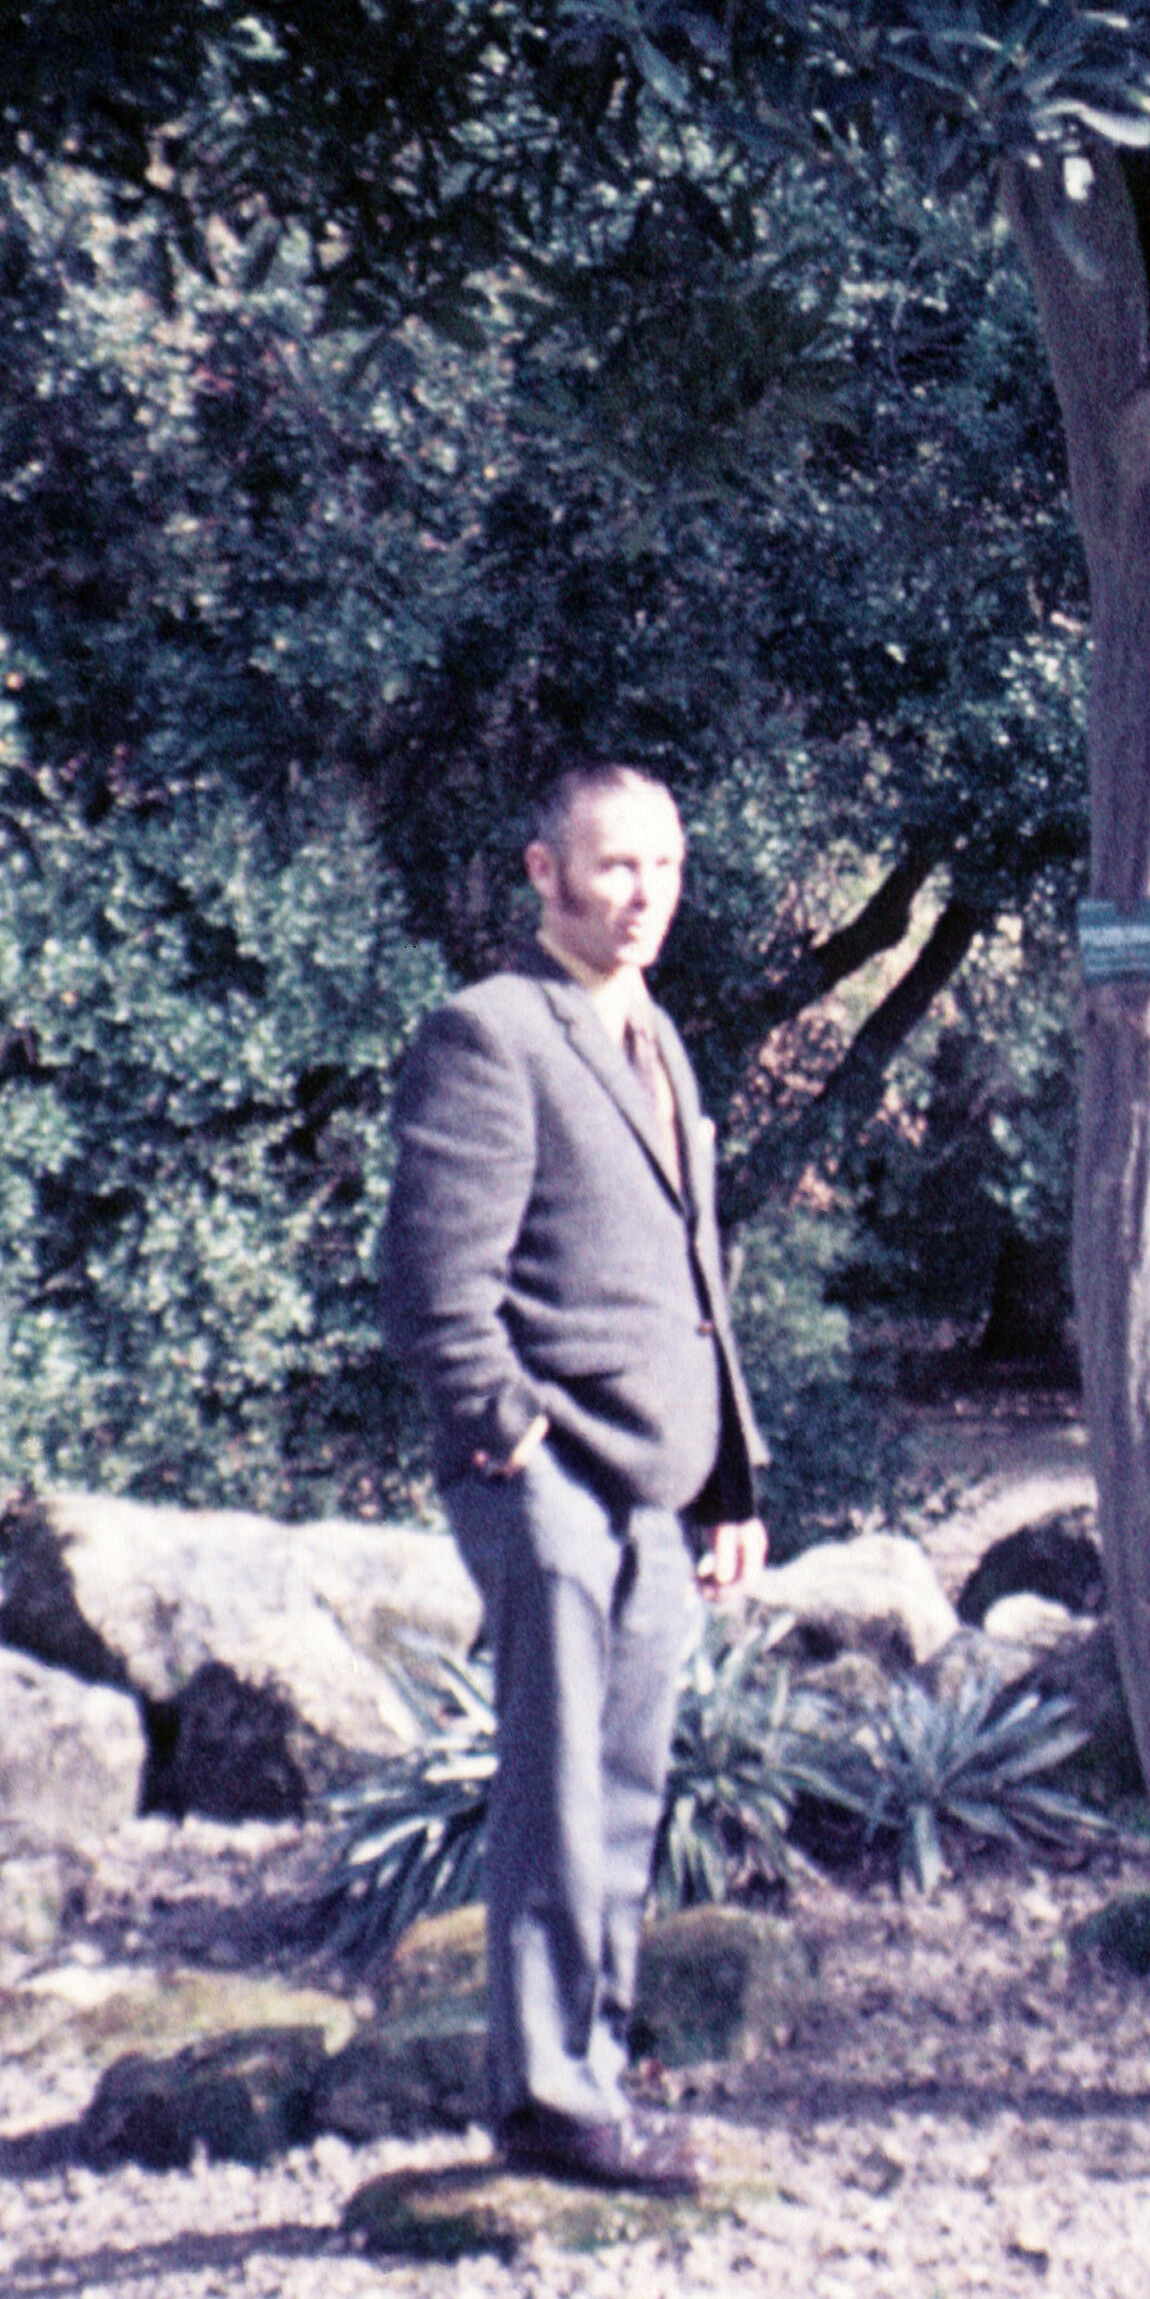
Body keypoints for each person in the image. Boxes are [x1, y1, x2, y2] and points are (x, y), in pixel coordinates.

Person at [376, 760, 767, 2183]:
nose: (643, 897)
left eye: (663, 868)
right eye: (614, 868)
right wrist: (515, 1435)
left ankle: (591, 2081)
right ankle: (546, 2091)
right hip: (542, 1477)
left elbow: (697, 1286)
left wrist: (731, 1480)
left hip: (660, 1487)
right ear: (545, 872)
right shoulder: (490, 1035)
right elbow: (433, 1282)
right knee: (554, 1789)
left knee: (626, 1790)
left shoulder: (658, 1041)